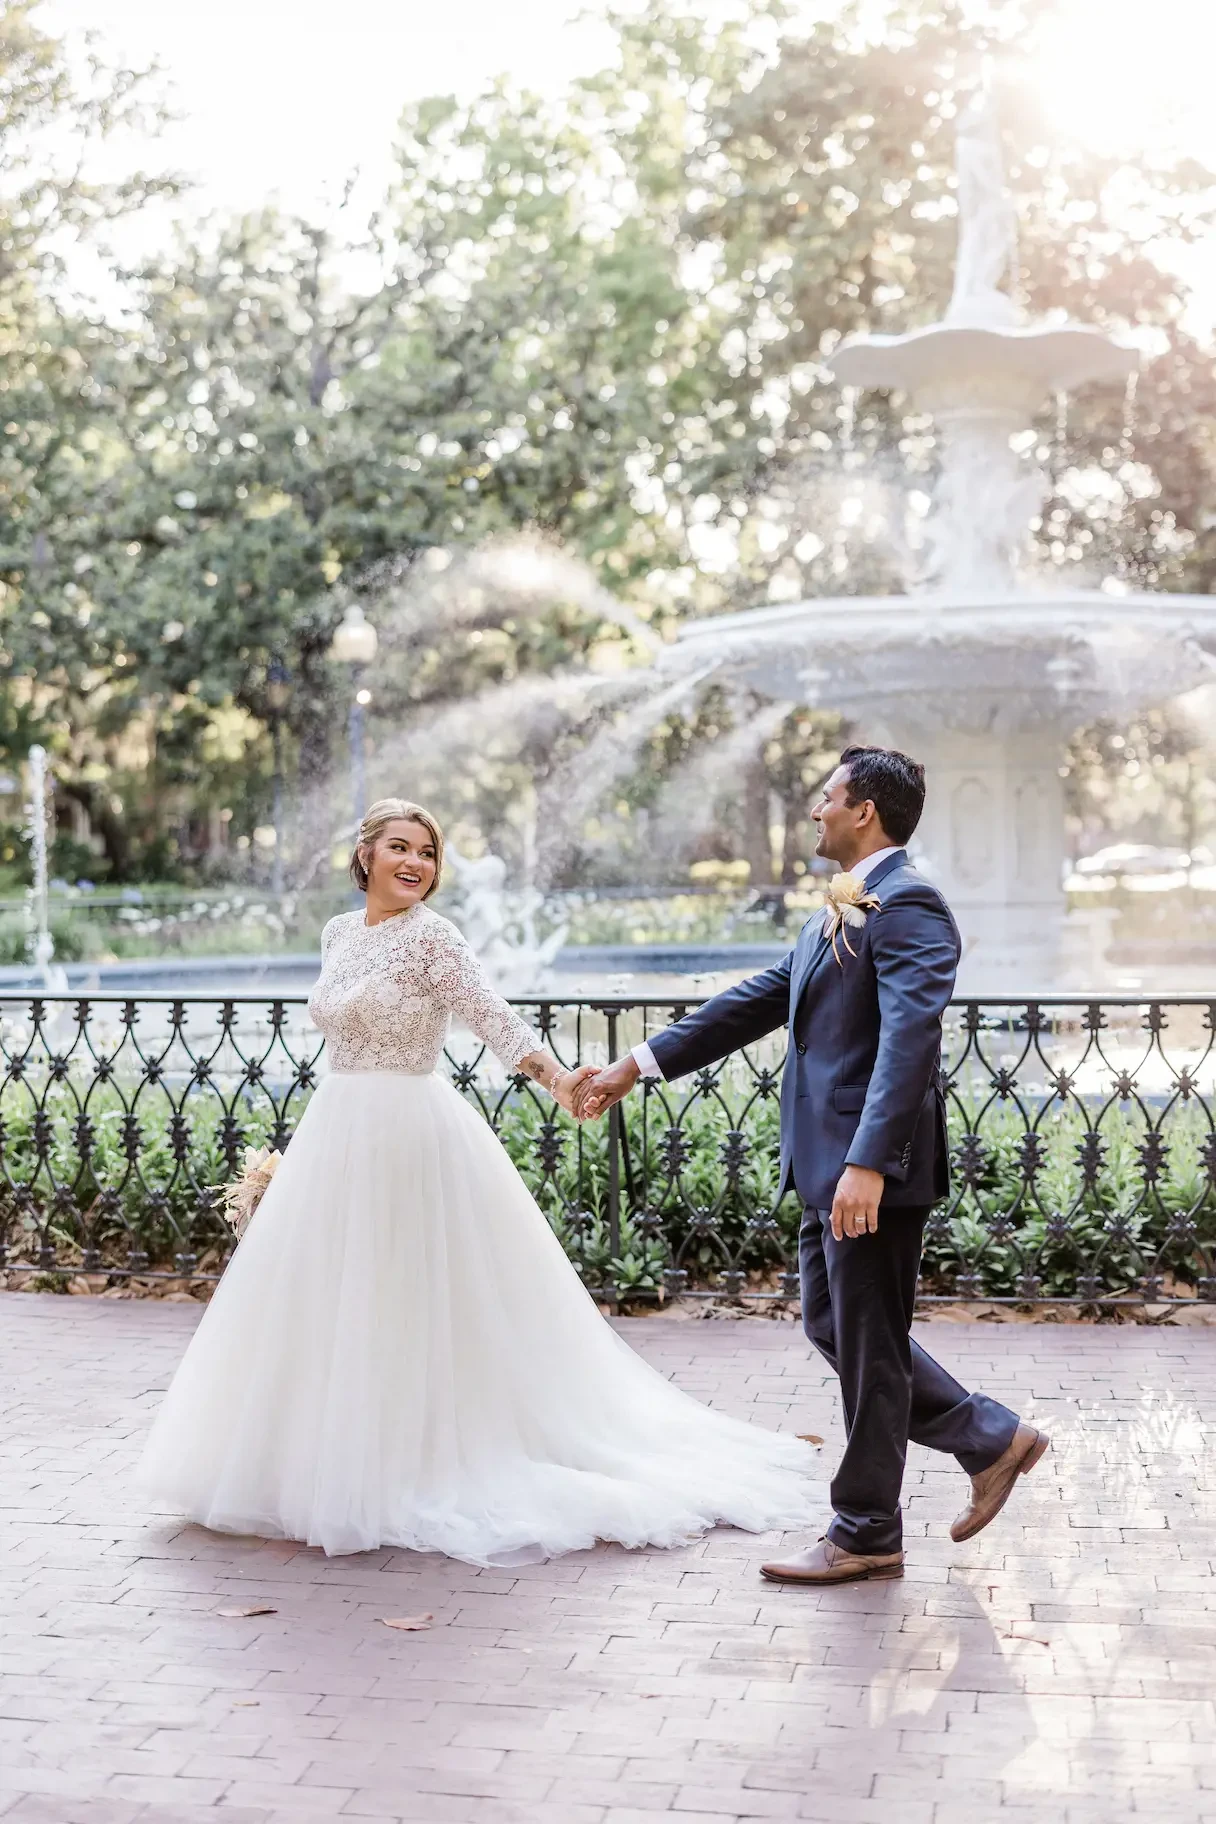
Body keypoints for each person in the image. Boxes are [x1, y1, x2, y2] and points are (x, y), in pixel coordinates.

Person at [138, 798, 820, 1564]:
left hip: (409, 1131)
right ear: (364, 854)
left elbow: (493, 1019)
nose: (415, 864)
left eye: (427, 853)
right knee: (331, 1299)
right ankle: (313, 1462)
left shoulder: (435, 939)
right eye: (400, 847)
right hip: (336, 1126)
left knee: (404, 1294)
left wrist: (562, 1080)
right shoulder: (337, 932)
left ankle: (410, 1463)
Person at [576, 747, 1049, 1586]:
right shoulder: (835, 911)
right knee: (840, 1332)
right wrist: (635, 1065)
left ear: (863, 811)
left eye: (826, 797)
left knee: (866, 1346)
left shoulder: (909, 908)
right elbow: (757, 1000)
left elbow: (910, 1044)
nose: (815, 811)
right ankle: (987, 1437)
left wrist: (869, 1163)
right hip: (826, 1165)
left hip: (868, 1172)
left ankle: (866, 1530)